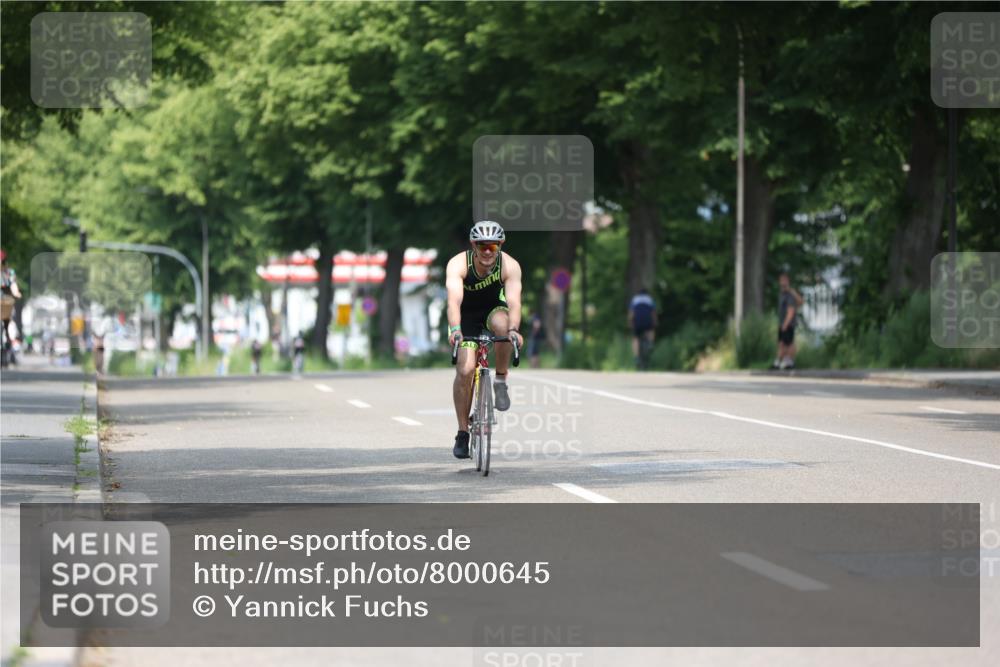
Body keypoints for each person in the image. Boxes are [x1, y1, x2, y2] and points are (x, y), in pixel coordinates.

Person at [446, 221, 523, 459]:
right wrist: (456, 329)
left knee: (503, 327)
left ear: (500, 244)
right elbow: (453, 301)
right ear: (473, 245)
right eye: (482, 246)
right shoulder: (459, 264)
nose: (487, 251)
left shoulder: (510, 265)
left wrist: (514, 330)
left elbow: (514, 302)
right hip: (466, 315)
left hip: (493, 310)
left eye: (492, 245)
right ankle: (462, 432)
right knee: (466, 368)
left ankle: (500, 381)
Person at [771, 272, 804, 370]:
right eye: (781, 280)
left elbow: (791, 310)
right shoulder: (782, 294)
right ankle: (780, 361)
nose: (782, 282)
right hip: (782, 323)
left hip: (788, 323)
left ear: (788, 281)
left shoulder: (790, 294)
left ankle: (788, 361)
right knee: (782, 343)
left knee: (788, 343)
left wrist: (785, 323)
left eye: (784, 280)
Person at [1, 249, 22, 367]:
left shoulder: (9, 272)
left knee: (9, 324)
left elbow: (13, 285)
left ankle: (9, 342)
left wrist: (16, 292)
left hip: (5, 302)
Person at [627, 287, 657, 370]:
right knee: (651, 330)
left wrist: (630, 322)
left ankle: (636, 357)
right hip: (647, 320)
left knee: (635, 338)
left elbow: (631, 313)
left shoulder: (635, 299)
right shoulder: (650, 299)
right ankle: (650, 343)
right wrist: (655, 322)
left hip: (637, 321)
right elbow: (653, 312)